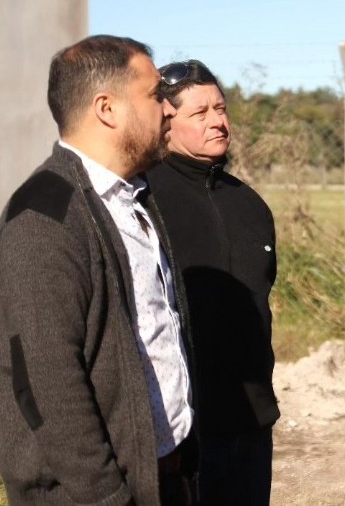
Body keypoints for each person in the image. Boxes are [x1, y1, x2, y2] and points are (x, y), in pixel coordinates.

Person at [0, 35, 198, 504]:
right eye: (154, 96)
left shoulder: (133, 199)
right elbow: (50, 387)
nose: (169, 110)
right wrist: (107, 497)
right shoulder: (44, 216)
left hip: (166, 473)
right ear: (107, 109)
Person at [147, 60, 280, 505]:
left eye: (220, 108)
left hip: (251, 422)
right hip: (179, 432)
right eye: (200, 113)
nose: (218, 122)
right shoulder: (143, 202)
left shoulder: (250, 204)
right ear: (166, 122)